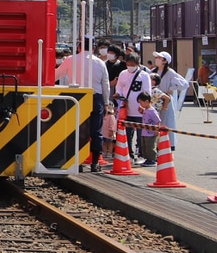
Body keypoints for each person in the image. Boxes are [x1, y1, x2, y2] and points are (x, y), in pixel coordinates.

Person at [56, 38, 110, 170]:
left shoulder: (70, 60)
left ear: (79, 47)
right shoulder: (100, 63)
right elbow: (106, 84)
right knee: (96, 131)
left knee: (77, 130)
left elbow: (55, 75)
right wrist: (106, 102)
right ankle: (95, 162)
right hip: (95, 97)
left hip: (76, 97)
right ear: (93, 48)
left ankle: (78, 162)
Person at [115, 52, 152, 161]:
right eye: (128, 63)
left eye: (132, 64)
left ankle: (141, 154)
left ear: (138, 63)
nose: (130, 66)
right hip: (126, 108)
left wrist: (144, 106)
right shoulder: (123, 74)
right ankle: (128, 154)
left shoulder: (144, 75)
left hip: (139, 109)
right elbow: (119, 87)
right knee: (127, 133)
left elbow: (147, 91)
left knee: (141, 134)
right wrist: (119, 96)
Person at [150, 51, 188, 152]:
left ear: (165, 61)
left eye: (159, 57)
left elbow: (184, 84)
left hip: (166, 99)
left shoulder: (170, 72)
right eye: (157, 57)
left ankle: (169, 145)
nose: (156, 59)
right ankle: (155, 145)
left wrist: (172, 87)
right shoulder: (153, 71)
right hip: (154, 99)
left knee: (167, 122)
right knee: (154, 122)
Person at [135, 92, 160, 166]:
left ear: (146, 101)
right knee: (144, 146)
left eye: (141, 102)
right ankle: (147, 159)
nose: (140, 105)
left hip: (151, 133)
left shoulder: (152, 111)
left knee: (150, 146)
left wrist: (156, 130)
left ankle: (152, 159)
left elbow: (157, 121)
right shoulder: (146, 110)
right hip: (145, 132)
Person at [100, 101, 117, 168]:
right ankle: (104, 152)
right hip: (103, 132)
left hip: (109, 132)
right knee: (104, 143)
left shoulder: (111, 116)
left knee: (110, 143)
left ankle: (109, 153)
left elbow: (113, 124)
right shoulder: (104, 116)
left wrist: (112, 130)